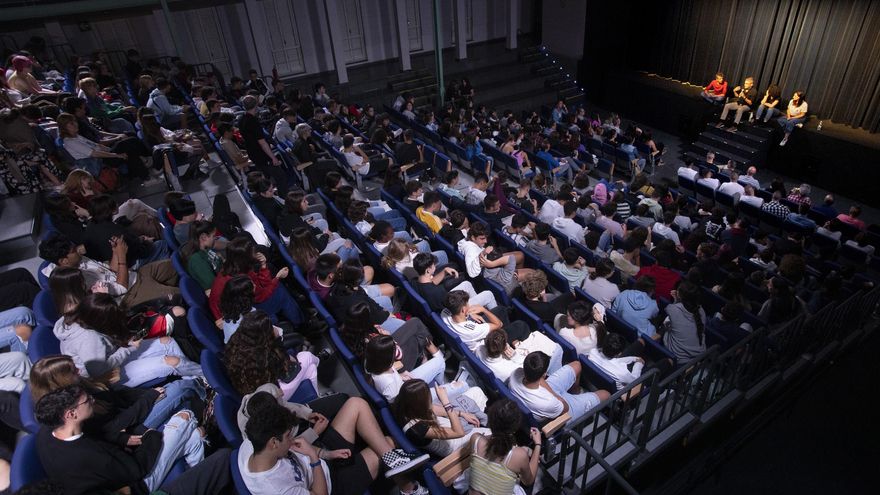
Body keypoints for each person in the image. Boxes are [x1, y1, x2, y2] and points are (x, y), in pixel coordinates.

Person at [238, 393, 429, 495]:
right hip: (333, 485)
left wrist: (326, 454)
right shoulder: (277, 489)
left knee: (356, 404)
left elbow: (297, 448)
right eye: (288, 436)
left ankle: (393, 459)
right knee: (387, 442)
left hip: (323, 458)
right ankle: (408, 489)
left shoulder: (251, 444)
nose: (293, 438)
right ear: (273, 443)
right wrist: (314, 459)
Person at [34, 385, 205, 495]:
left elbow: (103, 435)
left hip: (118, 471)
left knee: (194, 437)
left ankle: (198, 470)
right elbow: (138, 469)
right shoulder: (90, 454)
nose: (93, 400)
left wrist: (120, 438)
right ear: (71, 414)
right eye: (87, 400)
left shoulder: (46, 433)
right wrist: (151, 436)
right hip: (139, 484)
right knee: (184, 418)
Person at [39, 233, 180, 308]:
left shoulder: (78, 260)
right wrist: (122, 255)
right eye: (74, 251)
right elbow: (121, 288)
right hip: (129, 295)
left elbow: (110, 270)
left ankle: (165, 301)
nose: (79, 251)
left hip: (134, 276)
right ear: (64, 261)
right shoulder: (74, 281)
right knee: (180, 295)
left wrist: (115, 252)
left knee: (174, 265)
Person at [223, 310, 319, 399]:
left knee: (311, 369)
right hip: (270, 396)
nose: (273, 328)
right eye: (270, 327)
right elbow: (288, 370)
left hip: (251, 392)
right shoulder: (263, 355)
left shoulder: (235, 340)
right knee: (307, 357)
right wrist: (276, 338)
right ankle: (318, 361)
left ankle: (317, 399)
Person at [207, 236, 302, 325]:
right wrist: (277, 278)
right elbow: (261, 296)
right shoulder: (240, 279)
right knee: (280, 292)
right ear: (244, 257)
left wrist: (263, 266)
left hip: (241, 307)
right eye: (252, 252)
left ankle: (299, 320)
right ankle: (301, 324)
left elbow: (262, 285)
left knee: (277, 288)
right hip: (234, 317)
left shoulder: (234, 266)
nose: (255, 254)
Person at [393, 379, 490, 458]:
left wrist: (461, 413)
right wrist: (445, 401)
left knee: (476, 390)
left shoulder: (404, 404)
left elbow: (433, 408)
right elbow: (459, 433)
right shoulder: (418, 429)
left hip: (443, 423)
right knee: (491, 432)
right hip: (453, 443)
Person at [509, 352, 610, 423]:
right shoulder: (548, 402)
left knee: (577, 365)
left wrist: (551, 392)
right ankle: (576, 397)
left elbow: (540, 382)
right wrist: (554, 395)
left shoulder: (515, 374)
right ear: (544, 374)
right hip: (559, 409)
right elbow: (565, 408)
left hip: (545, 392)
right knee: (606, 394)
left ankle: (575, 391)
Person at [441, 290, 530, 351]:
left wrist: (469, 314)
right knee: (521, 325)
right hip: (487, 345)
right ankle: (510, 342)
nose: (469, 304)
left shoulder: (444, 313)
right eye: (467, 303)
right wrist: (483, 310)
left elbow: (458, 313)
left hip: (467, 330)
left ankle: (508, 339)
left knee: (501, 310)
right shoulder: (474, 330)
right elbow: (498, 324)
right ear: (463, 310)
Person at [459, 221, 531, 294]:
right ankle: (515, 278)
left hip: (493, 268)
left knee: (520, 255)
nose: (485, 241)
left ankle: (514, 273)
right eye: (482, 238)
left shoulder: (466, 243)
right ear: (473, 238)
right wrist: (485, 255)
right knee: (533, 273)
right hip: (498, 275)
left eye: (485, 238)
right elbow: (472, 272)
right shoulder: (471, 250)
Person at [412, 252, 496, 312]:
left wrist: (444, 271)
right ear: (428, 270)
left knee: (467, 284)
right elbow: (453, 310)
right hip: (453, 311)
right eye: (433, 265)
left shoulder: (414, 281)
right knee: (488, 294)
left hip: (442, 303)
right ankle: (492, 313)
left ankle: (479, 309)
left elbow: (430, 283)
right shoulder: (437, 292)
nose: (435, 266)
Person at [239, 95, 288, 194]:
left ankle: (269, 193)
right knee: (280, 175)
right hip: (260, 154)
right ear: (256, 105)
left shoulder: (241, 118)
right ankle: (283, 198)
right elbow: (262, 143)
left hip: (252, 152)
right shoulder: (253, 121)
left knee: (266, 176)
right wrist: (273, 158)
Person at [661, 282, 707, 361]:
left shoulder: (672, 308)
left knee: (665, 324)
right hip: (699, 354)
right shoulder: (702, 311)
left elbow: (673, 315)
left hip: (677, 355)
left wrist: (676, 300)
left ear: (679, 294)